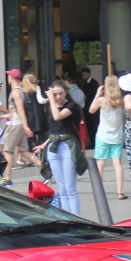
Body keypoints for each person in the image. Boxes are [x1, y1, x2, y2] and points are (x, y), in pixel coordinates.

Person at [34, 80, 84, 213]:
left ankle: (77, 219)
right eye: (55, 94)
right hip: (54, 147)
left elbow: (58, 117)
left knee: (70, 188)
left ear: (65, 92)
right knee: (62, 189)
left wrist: (50, 98)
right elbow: (54, 131)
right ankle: (68, 219)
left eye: (60, 93)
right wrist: (43, 145)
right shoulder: (52, 107)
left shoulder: (72, 105)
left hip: (68, 147)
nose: (57, 97)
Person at [90, 73, 127, 199]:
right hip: (117, 136)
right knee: (117, 164)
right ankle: (120, 192)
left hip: (103, 135)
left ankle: (99, 192)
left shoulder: (102, 100)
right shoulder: (121, 100)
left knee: (100, 164)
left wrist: (97, 94)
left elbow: (91, 110)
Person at [22, 73, 47, 149]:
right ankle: (42, 152)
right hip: (38, 114)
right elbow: (41, 101)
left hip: (29, 115)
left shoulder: (23, 90)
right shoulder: (36, 88)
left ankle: (34, 151)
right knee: (41, 136)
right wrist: (49, 99)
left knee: (31, 136)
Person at [79, 67, 101, 149]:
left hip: (93, 109)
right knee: (89, 127)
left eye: (84, 75)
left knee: (94, 126)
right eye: (82, 75)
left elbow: (91, 96)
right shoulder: (85, 84)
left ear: (89, 74)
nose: (83, 77)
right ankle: (92, 142)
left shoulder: (94, 83)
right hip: (87, 109)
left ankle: (95, 143)